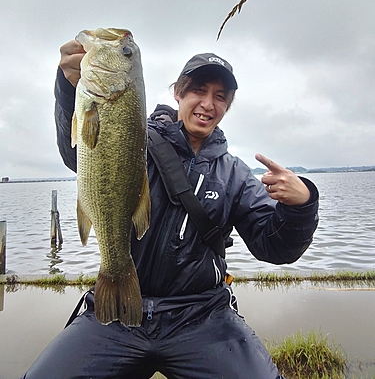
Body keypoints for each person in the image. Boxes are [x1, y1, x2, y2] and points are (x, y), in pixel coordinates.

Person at [22, 41, 319, 379]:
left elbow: (276, 248)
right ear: (178, 92)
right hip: (117, 312)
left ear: (227, 107)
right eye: (198, 90)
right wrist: (68, 88)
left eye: (220, 96)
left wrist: (301, 205)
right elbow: (77, 151)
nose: (208, 103)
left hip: (203, 317)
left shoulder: (235, 175)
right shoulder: (133, 135)